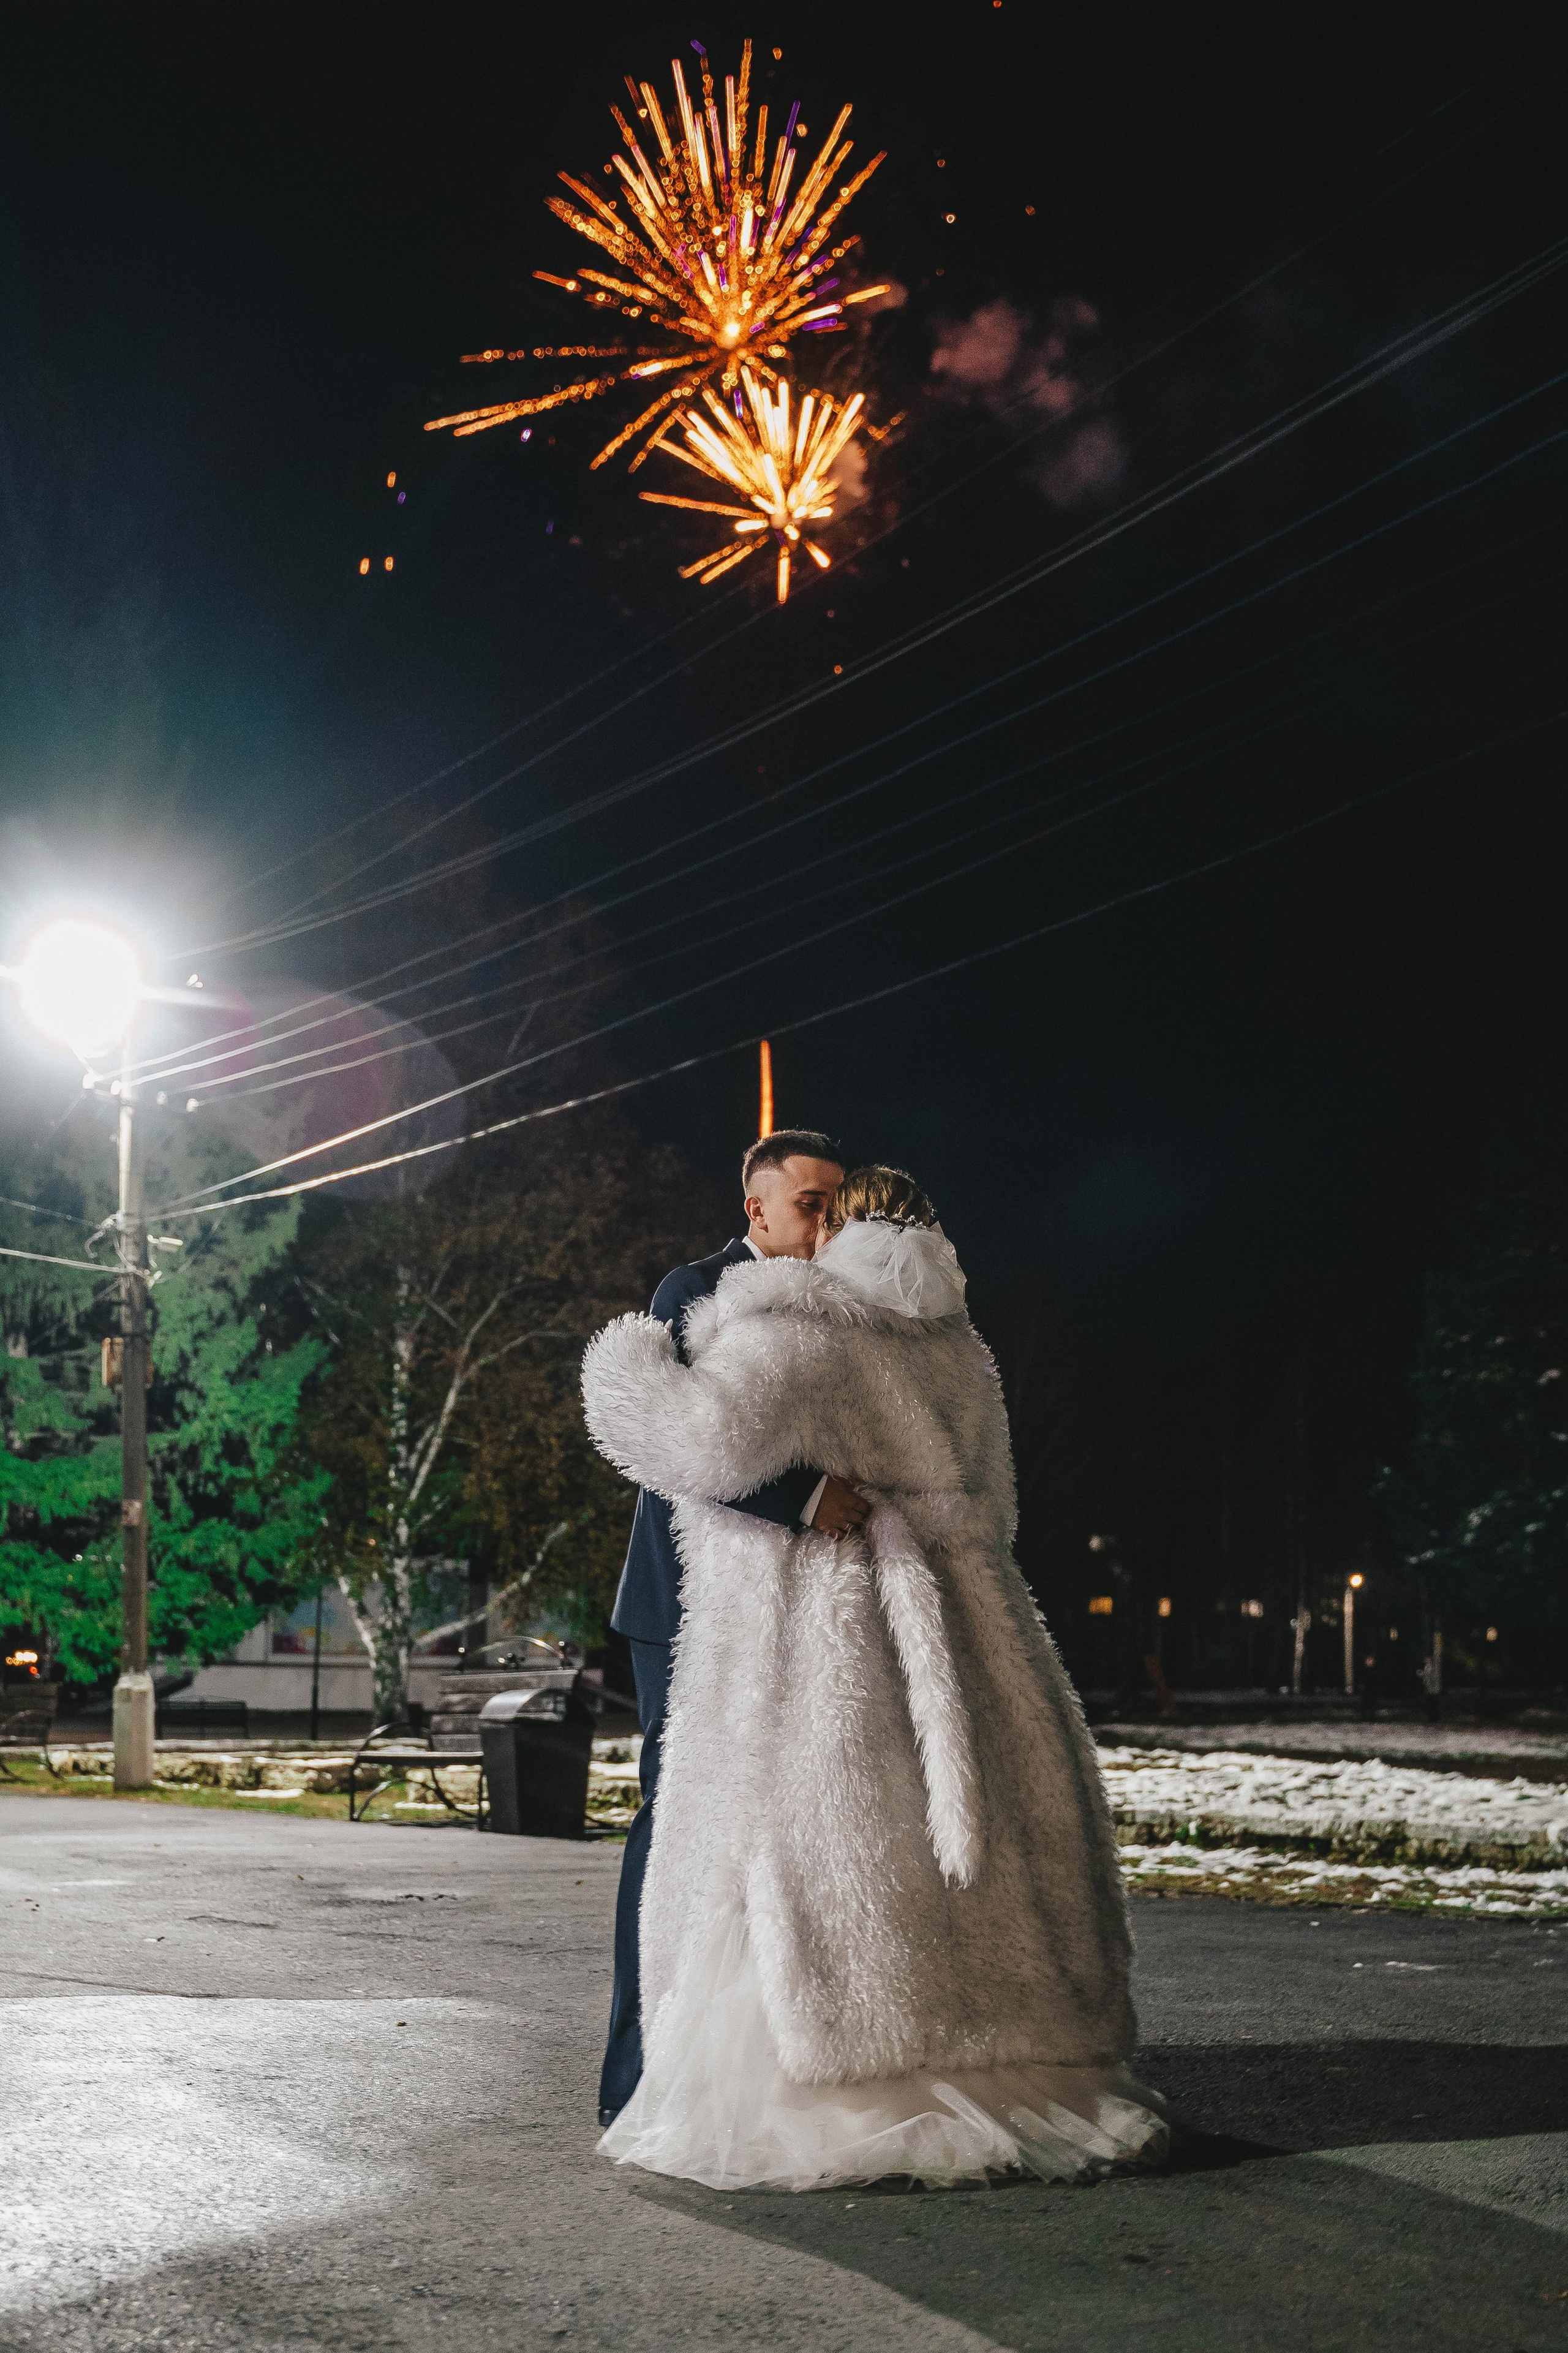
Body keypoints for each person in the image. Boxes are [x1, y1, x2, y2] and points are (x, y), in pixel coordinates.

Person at [581, 1163, 1167, 2191]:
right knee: (930, 1859)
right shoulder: (960, 1347)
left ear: (842, 1221)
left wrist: (622, 1361)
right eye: (795, 1202)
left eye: (826, 1205)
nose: (809, 1222)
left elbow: (688, 1438)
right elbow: (997, 1506)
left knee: (797, 1851)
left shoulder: (801, 1321)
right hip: (954, 1627)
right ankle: (974, 2056)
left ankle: (808, 2072)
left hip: (815, 1630)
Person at [596, 1129, 872, 2126]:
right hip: (686, 1614)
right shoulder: (692, 1289)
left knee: (788, 1830)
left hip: (798, 1616)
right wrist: (804, 1497)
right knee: (677, 1826)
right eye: (811, 1204)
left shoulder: (846, 1305)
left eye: (842, 1204)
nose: (829, 1223)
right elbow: (670, 1440)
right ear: (756, 1210)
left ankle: (767, 2063)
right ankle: (634, 2077)